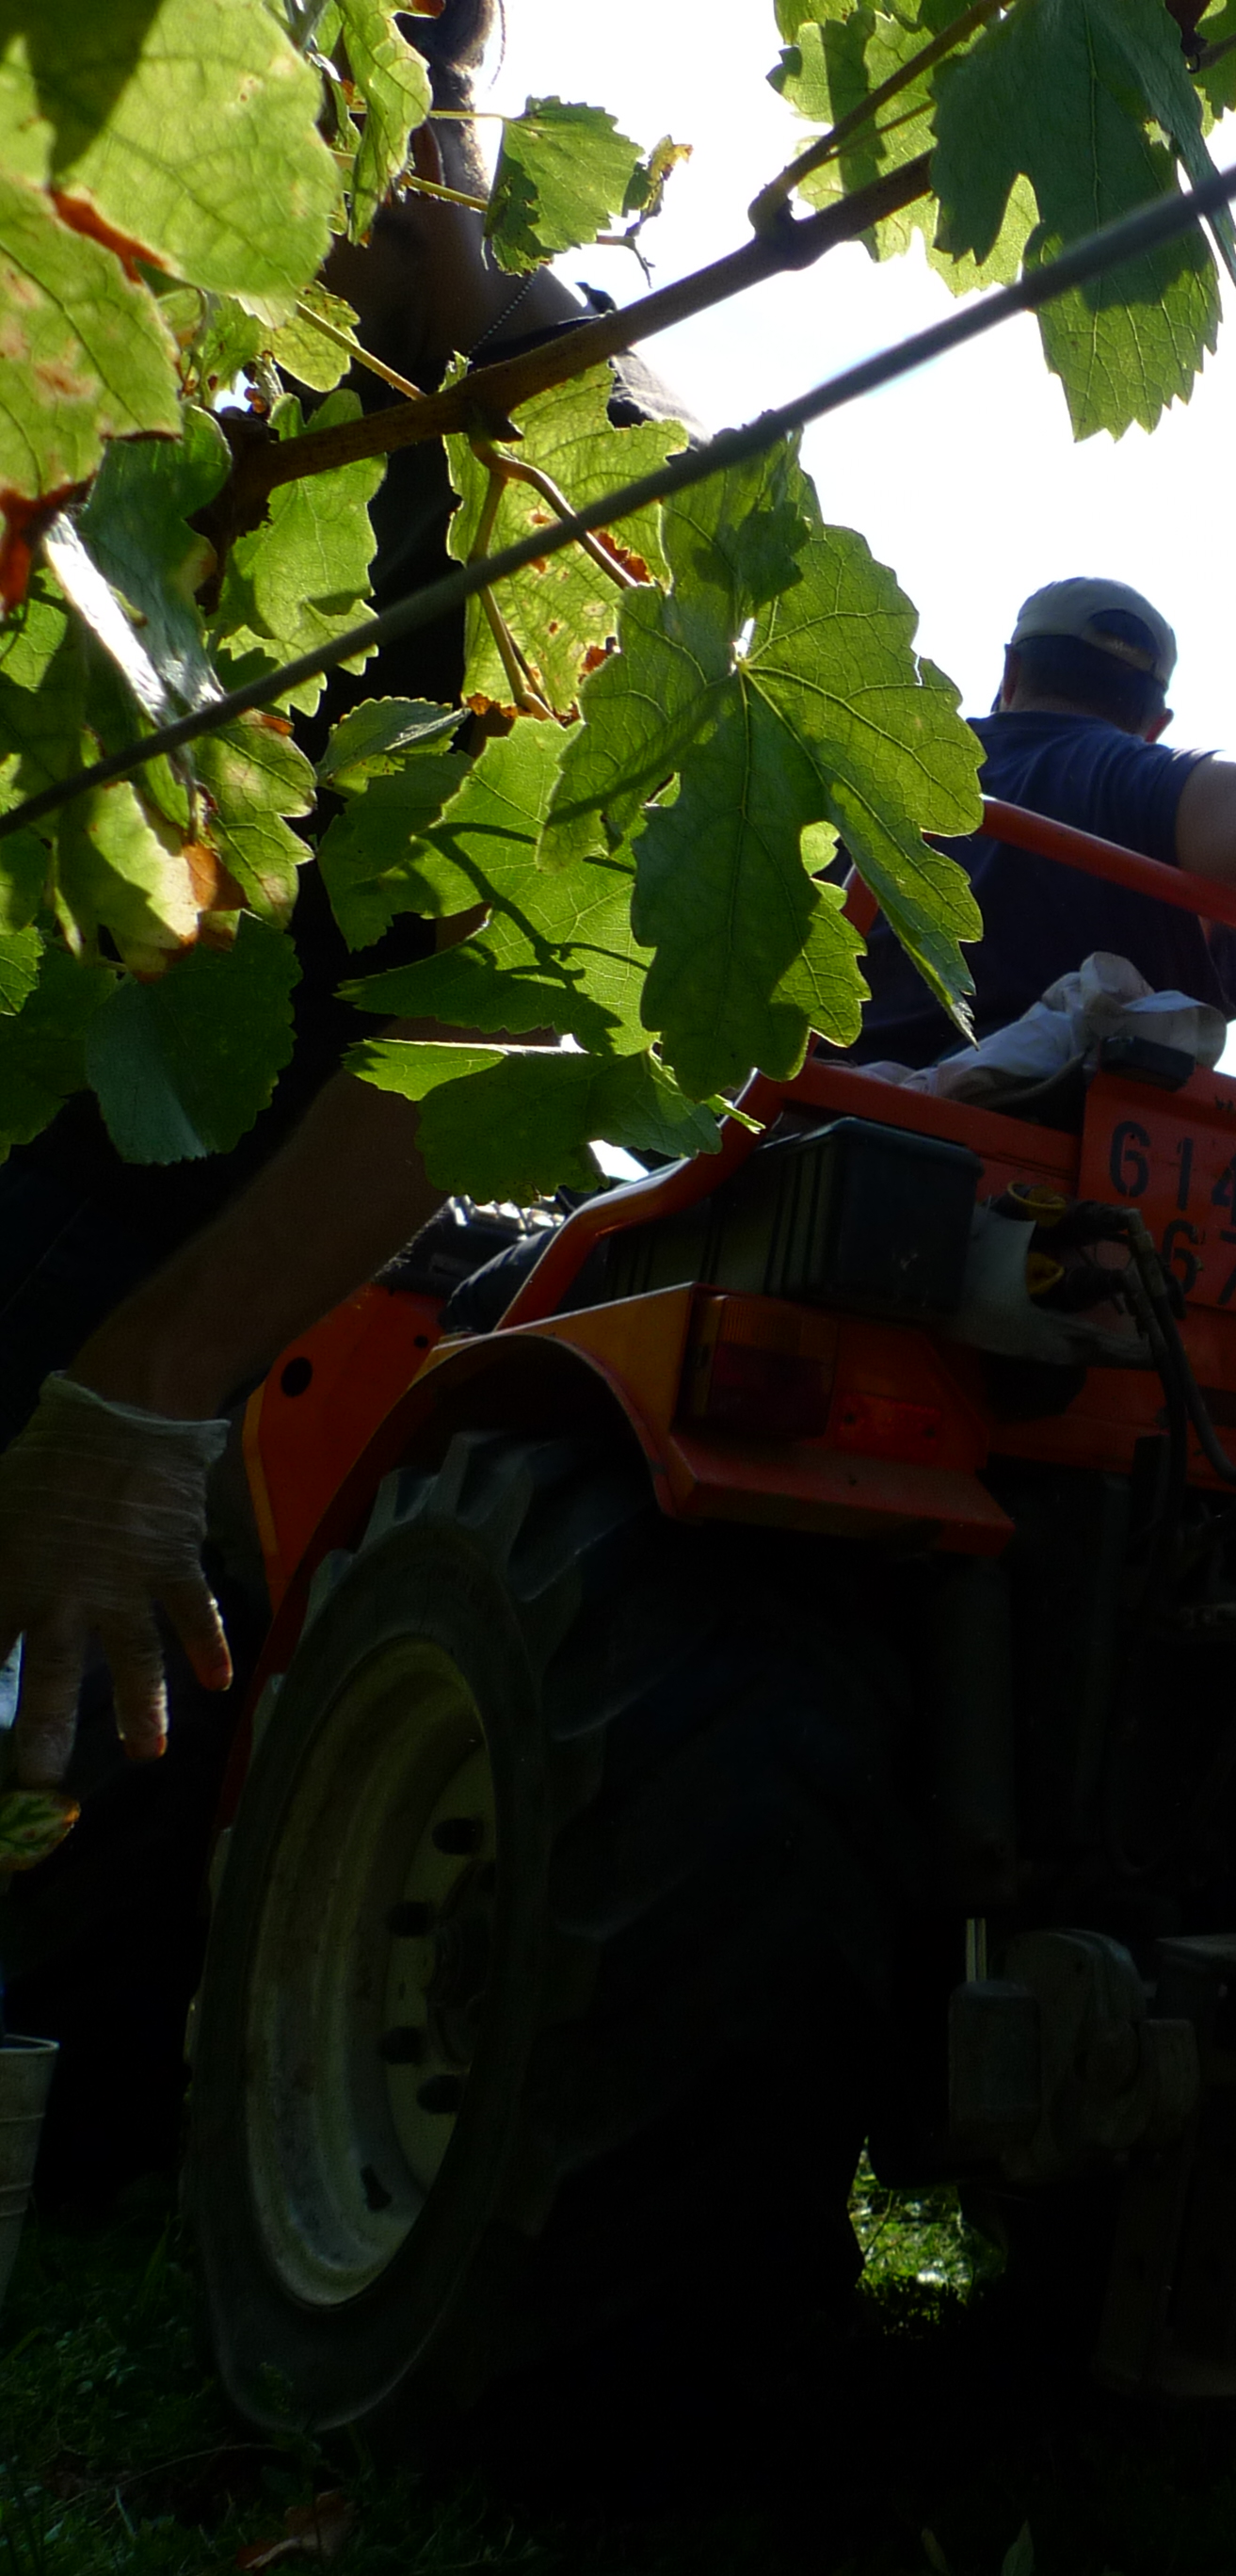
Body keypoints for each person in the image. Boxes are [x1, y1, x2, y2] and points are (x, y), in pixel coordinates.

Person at [0, 0, 685, 2195]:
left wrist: (148, 1388)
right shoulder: (196, 376)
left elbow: (519, 1007)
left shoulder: (570, 460)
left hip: (171, 1284)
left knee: (62, 1820)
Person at [848, 578, 1236, 1068]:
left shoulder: (863, 767)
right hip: (1046, 1180)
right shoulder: (1154, 785)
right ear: (1157, 723)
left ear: (1011, 670)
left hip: (791, 1136)